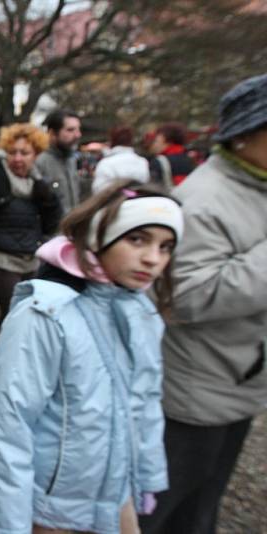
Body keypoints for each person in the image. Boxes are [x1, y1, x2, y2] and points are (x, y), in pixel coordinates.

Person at [0, 181, 184, 534]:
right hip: (52, 509)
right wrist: (7, 526)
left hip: (116, 494)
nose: (154, 258)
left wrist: (147, 476)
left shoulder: (140, 310)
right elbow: (10, 430)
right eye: (137, 239)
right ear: (98, 237)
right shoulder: (43, 314)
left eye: (165, 247)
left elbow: (145, 400)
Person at [139, 73, 267, 534]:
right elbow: (185, 296)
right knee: (166, 507)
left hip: (238, 378)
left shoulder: (255, 186)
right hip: (197, 390)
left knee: (202, 505)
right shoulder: (205, 200)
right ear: (245, 136)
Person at [0, 123, 62, 384]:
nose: (18, 158)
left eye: (25, 153)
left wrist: (49, 199)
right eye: (13, 152)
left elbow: (54, 222)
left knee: (29, 316)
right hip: (2, 259)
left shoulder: (37, 183)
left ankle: (17, 367)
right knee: (11, 314)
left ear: (36, 155)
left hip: (30, 258)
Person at [35, 109, 84, 213]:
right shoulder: (39, 162)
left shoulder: (72, 160)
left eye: (78, 129)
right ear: (52, 133)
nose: (77, 135)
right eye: (70, 130)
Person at [92, 125, 151, 193]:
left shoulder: (106, 164)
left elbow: (99, 190)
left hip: (116, 202)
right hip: (140, 200)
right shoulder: (142, 162)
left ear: (112, 140)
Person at [147, 122, 196, 189]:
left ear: (165, 140)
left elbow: (151, 189)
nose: (154, 145)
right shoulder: (192, 161)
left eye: (156, 141)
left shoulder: (158, 162)